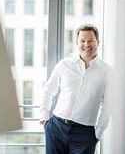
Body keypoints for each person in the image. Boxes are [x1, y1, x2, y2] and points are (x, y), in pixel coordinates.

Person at [40, 24, 113, 154]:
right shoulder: (64, 65)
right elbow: (48, 91)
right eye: (82, 41)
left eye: (90, 40)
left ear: (98, 42)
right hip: (56, 127)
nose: (87, 44)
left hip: (85, 134)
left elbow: (108, 106)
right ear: (76, 43)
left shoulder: (107, 72)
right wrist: (45, 118)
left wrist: (97, 134)